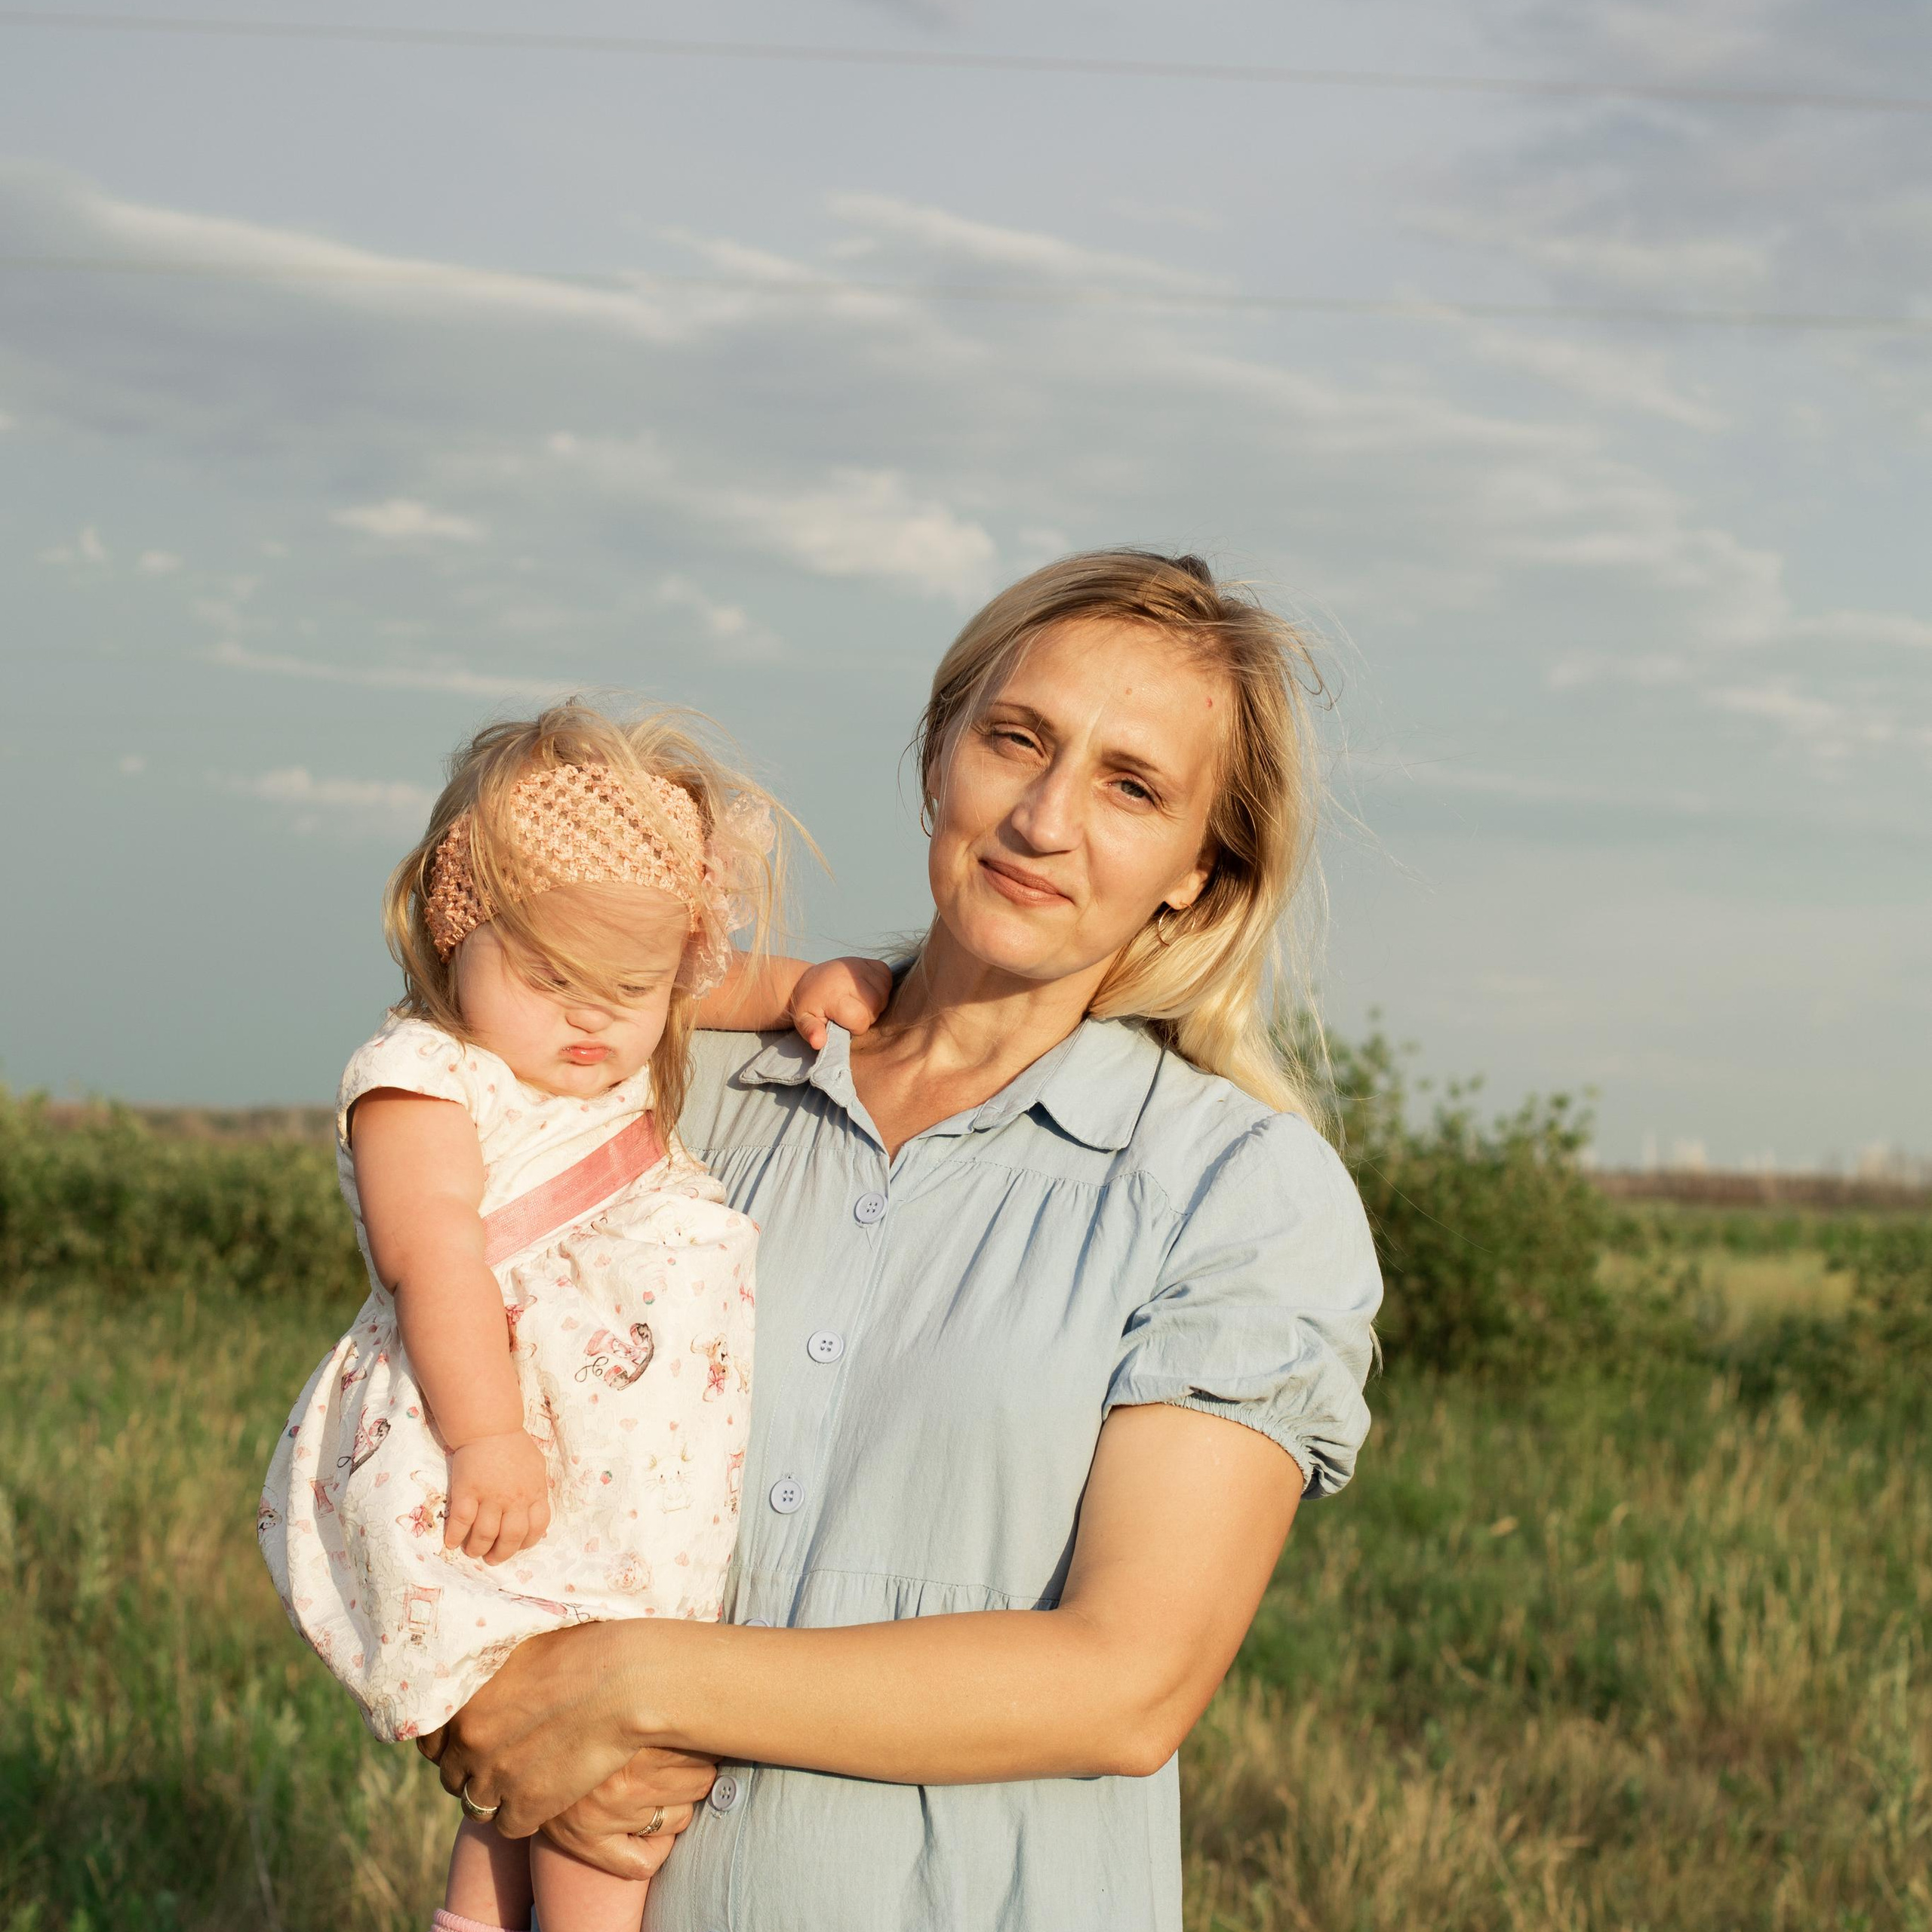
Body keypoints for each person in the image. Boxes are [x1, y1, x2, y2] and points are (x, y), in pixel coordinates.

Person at [421, 550, 1386, 1932]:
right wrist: (484, 1700)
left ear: (1198, 874)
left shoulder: (1240, 1193)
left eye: (1132, 787)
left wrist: (625, 1685)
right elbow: (447, 1406)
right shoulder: (690, 1098)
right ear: (941, 757)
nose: (1044, 819)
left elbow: (1129, 1683)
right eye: (1017, 740)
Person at [257, 703, 888, 1932]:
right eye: (548, 977)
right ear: (456, 938)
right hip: (507, 1444)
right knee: (597, 1789)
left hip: (617, 1469)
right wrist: (490, 1434)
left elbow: (712, 985)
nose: (593, 1019)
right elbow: (432, 1258)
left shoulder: (601, 1023)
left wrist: (806, 984)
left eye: (634, 985)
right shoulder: (430, 1077)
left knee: (527, 1790)